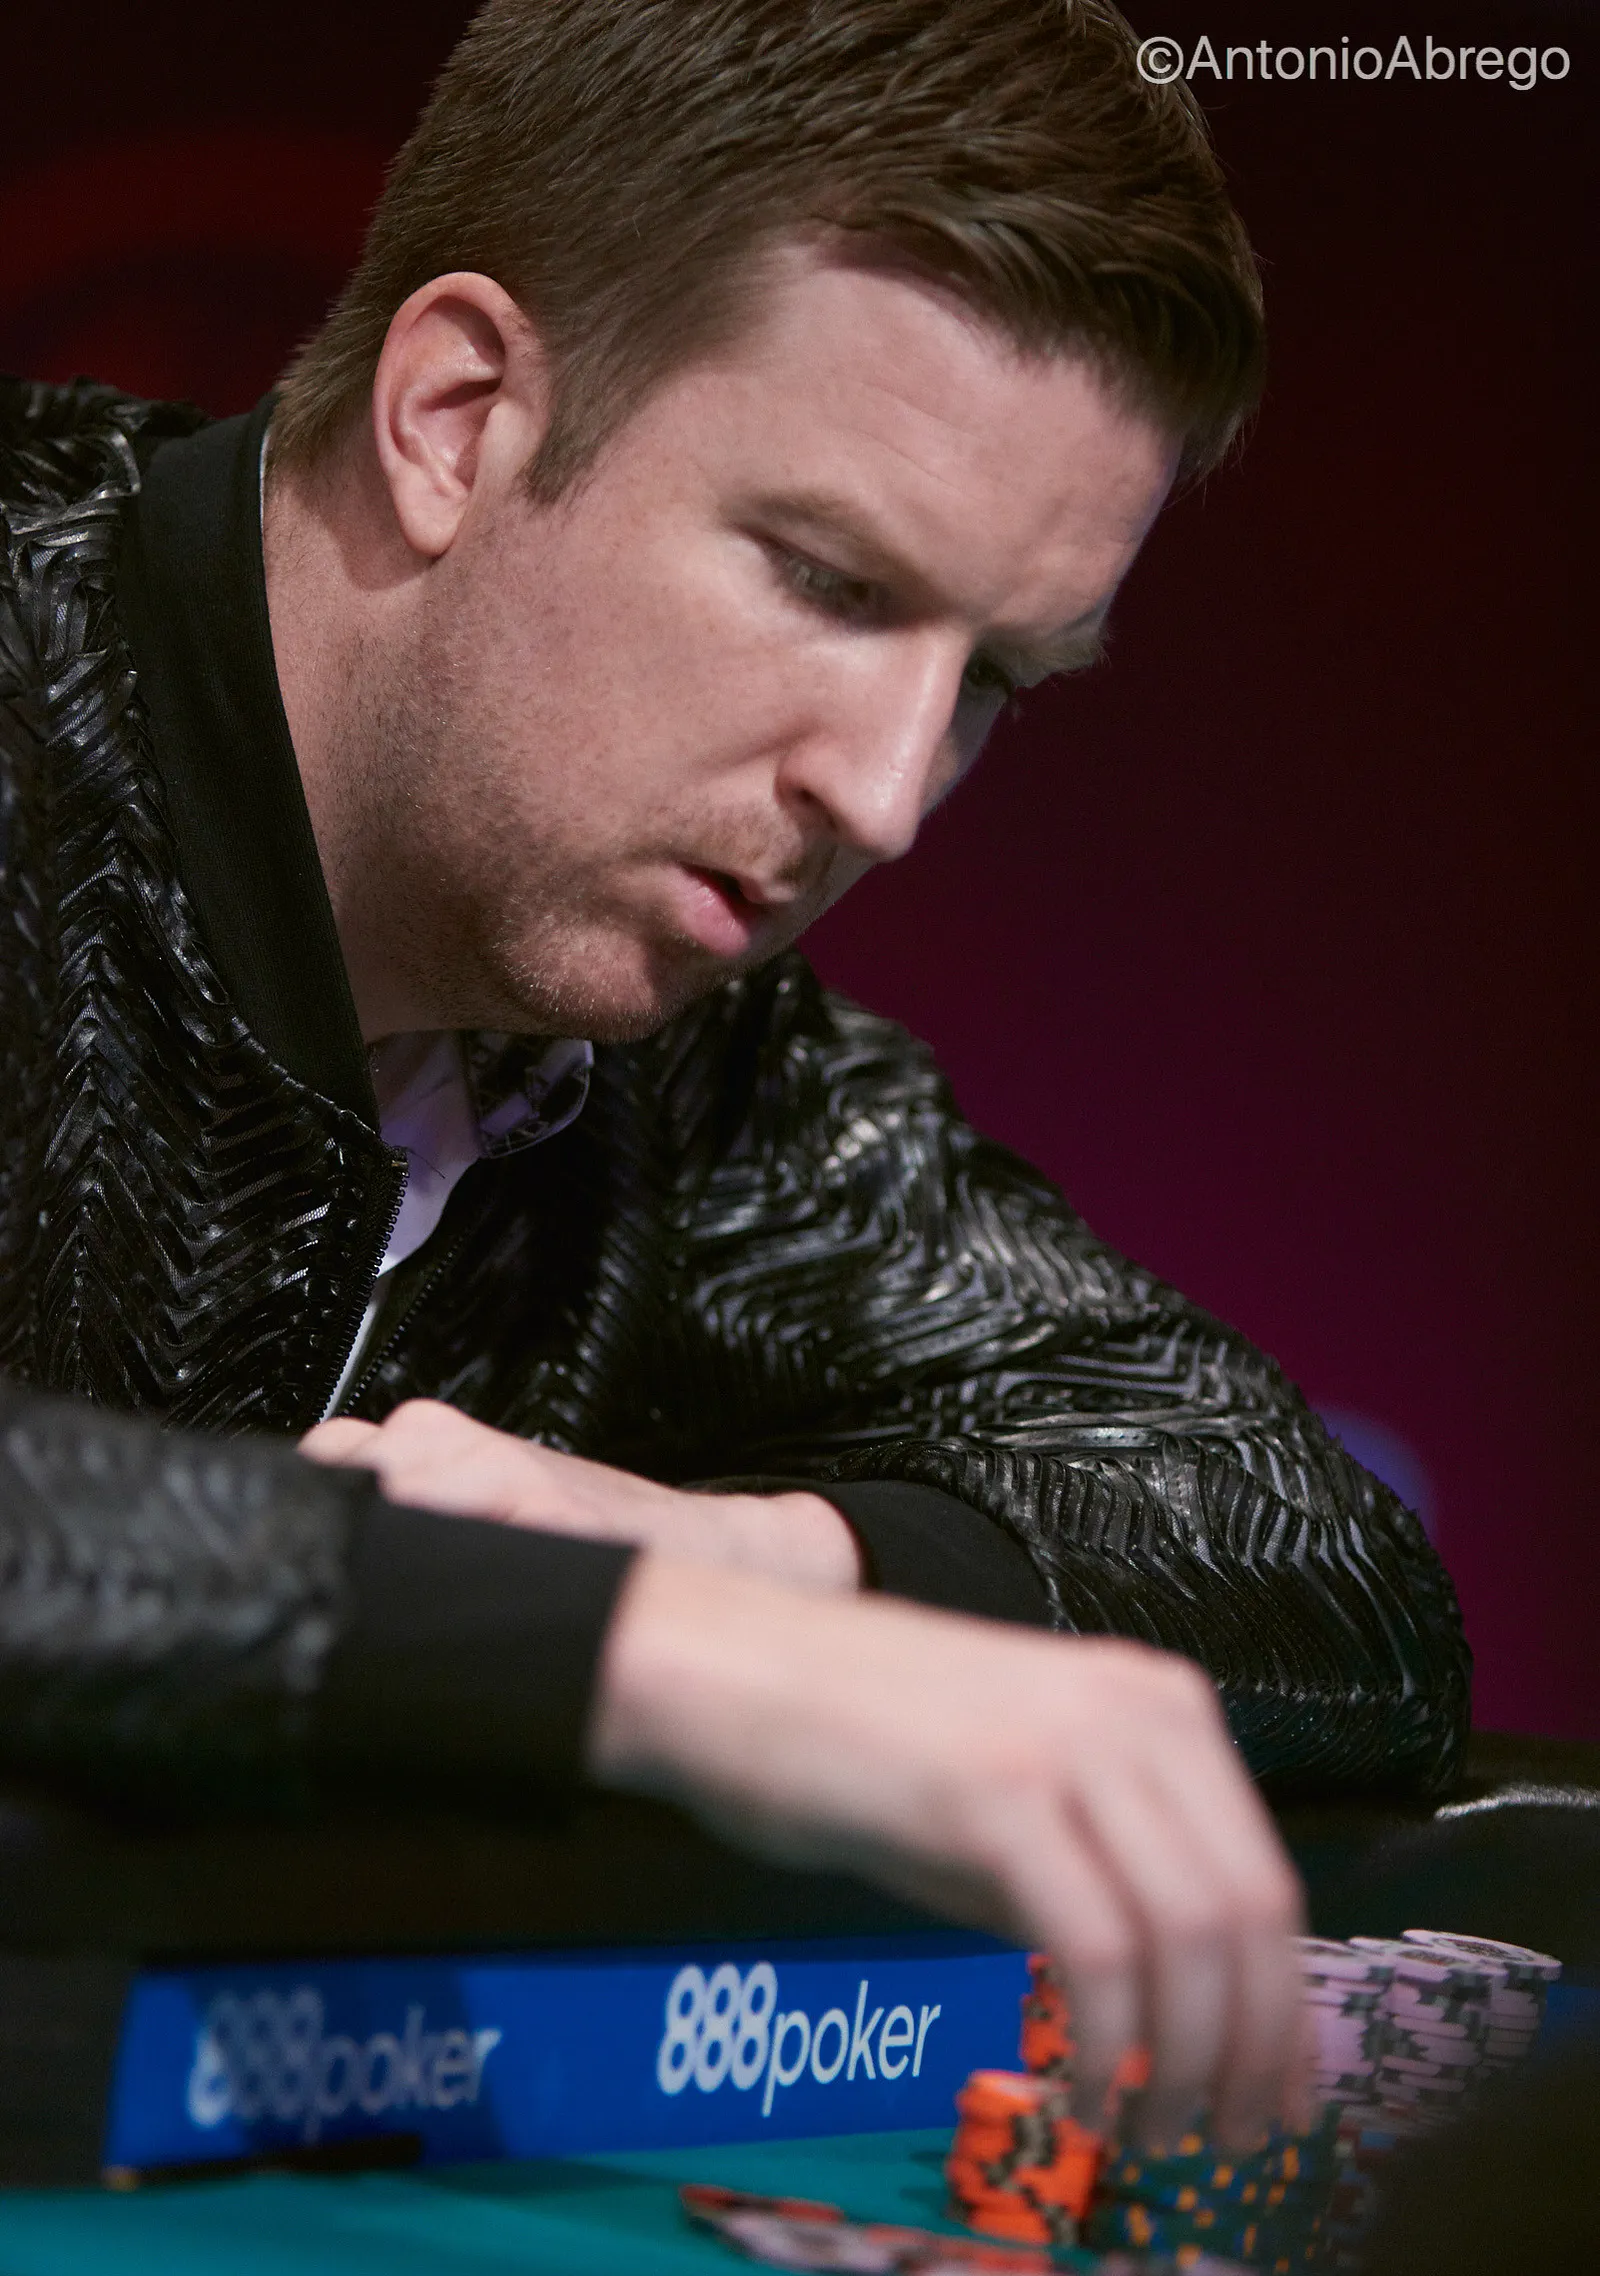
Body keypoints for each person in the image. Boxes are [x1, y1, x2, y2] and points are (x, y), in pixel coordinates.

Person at [0, 0, 1469, 2151]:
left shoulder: (686, 1062)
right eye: (826, 579)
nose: (886, 793)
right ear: (456, 415)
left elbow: (1311, 1548)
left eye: (992, 676)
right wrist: (635, 1651)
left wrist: (768, 1562)